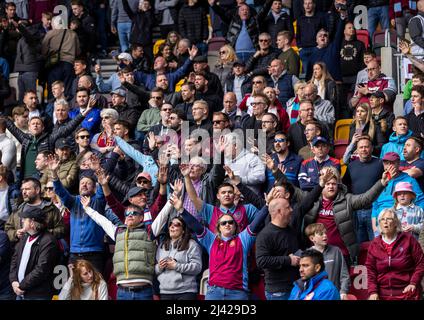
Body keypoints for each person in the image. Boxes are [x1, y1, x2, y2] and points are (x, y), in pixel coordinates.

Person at [179, 189, 270, 300]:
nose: (227, 224)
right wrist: (181, 210)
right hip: (214, 292)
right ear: (219, 227)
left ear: (235, 226)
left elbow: (256, 223)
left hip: (238, 293)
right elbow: (196, 226)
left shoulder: (243, 239)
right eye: (223, 223)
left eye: (231, 222)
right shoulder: (211, 240)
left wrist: (267, 205)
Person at [80, 192, 156, 300]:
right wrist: (87, 209)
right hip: (122, 292)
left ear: (141, 218)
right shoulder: (118, 232)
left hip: (144, 291)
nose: (130, 216)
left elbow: (162, 214)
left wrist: (175, 197)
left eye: (134, 213)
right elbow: (102, 221)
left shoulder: (149, 231)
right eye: (127, 214)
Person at [152, 194, 203, 300]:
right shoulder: (162, 245)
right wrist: (160, 267)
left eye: (177, 224)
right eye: (171, 224)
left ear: (183, 230)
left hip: (186, 292)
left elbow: (197, 267)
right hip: (165, 291)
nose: (172, 226)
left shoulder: (191, 244)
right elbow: (155, 270)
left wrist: (176, 266)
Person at [366, 208, 424, 300]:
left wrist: (413, 283)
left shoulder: (409, 240)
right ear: (379, 223)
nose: (385, 222)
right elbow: (371, 271)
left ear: (396, 223)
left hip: (406, 293)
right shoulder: (374, 244)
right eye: (382, 219)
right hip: (383, 294)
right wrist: (373, 292)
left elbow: (421, 263)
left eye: (389, 219)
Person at [9, 206, 59, 300]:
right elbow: (14, 260)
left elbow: (41, 269)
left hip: (38, 294)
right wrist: (14, 281)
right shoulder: (25, 237)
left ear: (32, 222)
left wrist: (21, 285)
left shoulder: (49, 241)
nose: (22, 221)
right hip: (20, 291)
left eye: (25, 219)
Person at [342, 136, 385, 243]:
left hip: (374, 210)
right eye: (361, 147)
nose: (364, 149)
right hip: (356, 211)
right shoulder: (351, 166)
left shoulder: (380, 164)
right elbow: (345, 185)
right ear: (357, 149)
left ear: (371, 148)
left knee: (376, 243)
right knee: (359, 245)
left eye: (366, 147)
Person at [372, 152, 424, 237]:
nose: (389, 166)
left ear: (398, 163)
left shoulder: (408, 179)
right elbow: (375, 206)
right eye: (386, 163)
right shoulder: (381, 181)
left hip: (400, 226)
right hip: (381, 226)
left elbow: (421, 200)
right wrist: (375, 228)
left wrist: (414, 221)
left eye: (392, 162)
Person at [305, 223, 350, 300]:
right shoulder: (307, 254)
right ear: (312, 238)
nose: (325, 235)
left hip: (334, 295)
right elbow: (305, 279)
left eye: (325, 233)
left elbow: (344, 274)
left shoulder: (336, 251)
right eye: (321, 234)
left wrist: (343, 292)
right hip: (315, 296)